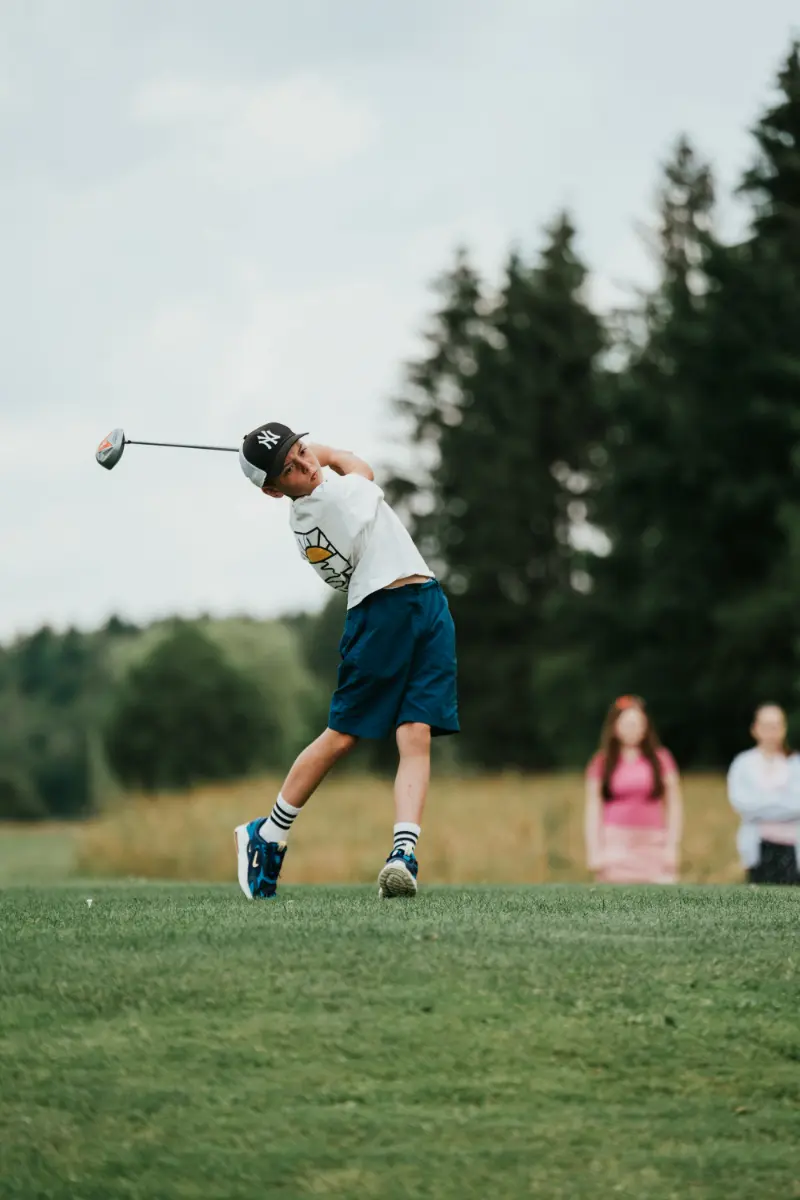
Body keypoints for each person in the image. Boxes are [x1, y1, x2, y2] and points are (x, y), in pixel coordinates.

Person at [233, 421, 459, 900]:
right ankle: (268, 833)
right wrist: (329, 451)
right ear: (273, 491)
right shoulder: (328, 501)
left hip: (425, 601)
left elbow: (332, 470)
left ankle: (403, 854)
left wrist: (304, 453)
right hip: (382, 613)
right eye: (290, 469)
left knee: (416, 732)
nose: (306, 466)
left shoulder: (309, 509)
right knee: (343, 735)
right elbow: (361, 468)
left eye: (301, 451)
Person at [584, 696, 683, 884]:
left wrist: (672, 847)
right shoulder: (601, 762)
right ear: (615, 727)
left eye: (637, 724)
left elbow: (674, 806)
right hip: (615, 846)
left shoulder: (661, 759)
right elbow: (593, 809)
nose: (632, 729)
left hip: (653, 844)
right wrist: (594, 850)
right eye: (627, 724)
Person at [727, 704, 800, 885]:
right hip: (757, 847)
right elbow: (742, 804)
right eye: (767, 726)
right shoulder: (743, 763)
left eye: (776, 726)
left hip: (792, 846)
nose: (772, 732)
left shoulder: (795, 763)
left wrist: (764, 802)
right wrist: (781, 801)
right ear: (755, 729)